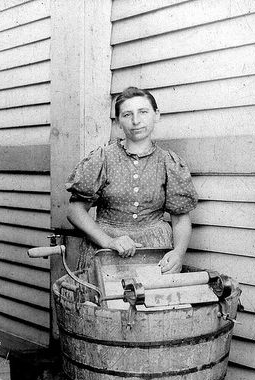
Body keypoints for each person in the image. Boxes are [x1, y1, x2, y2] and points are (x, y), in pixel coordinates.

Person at [65, 86, 198, 273]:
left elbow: (180, 219)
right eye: (127, 115)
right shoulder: (102, 158)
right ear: (119, 121)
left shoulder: (169, 162)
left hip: (154, 250)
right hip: (105, 251)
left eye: (143, 112)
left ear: (156, 115)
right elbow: (75, 211)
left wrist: (178, 253)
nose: (136, 121)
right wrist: (109, 241)